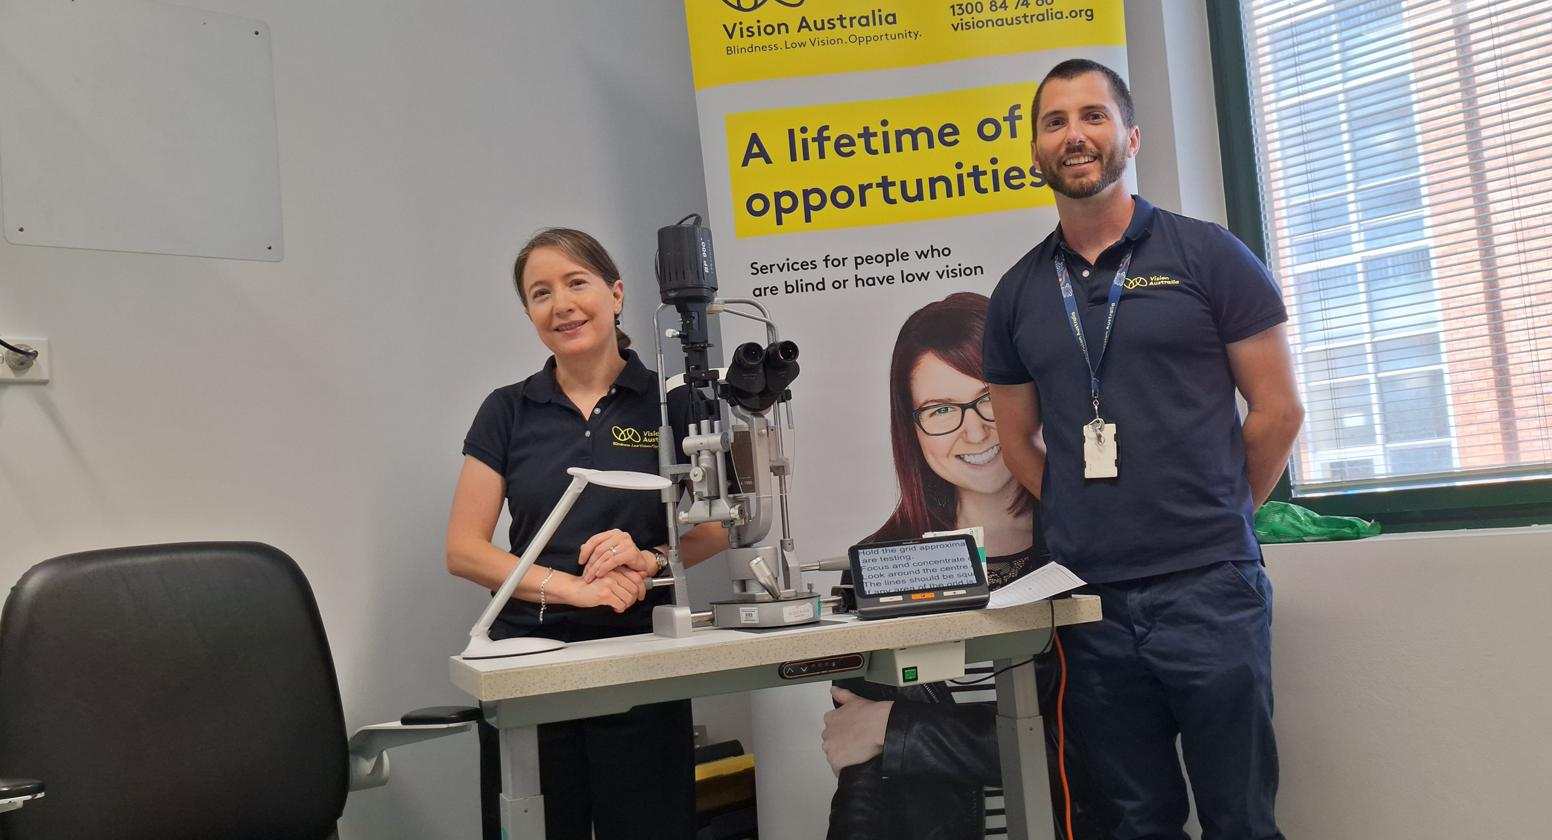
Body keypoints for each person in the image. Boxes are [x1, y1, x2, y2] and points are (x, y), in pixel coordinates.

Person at [984, 59, 1304, 839]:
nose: (1074, 135)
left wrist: (1221, 513)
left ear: (1129, 135)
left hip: (1210, 589)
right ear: (1035, 149)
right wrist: (1073, 510)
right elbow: (1014, 435)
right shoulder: (1019, 292)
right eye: (1054, 122)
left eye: (1092, 116)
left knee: (1241, 819)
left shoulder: (1208, 255)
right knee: (1132, 822)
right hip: (1089, 599)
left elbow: (1278, 412)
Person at [445, 228, 727, 840]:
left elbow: (714, 530)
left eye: (577, 283)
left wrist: (649, 557)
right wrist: (574, 590)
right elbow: (463, 550)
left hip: (642, 649)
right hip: (533, 657)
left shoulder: (667, 404)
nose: (562, 305)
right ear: (529, 314)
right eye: (540, 293)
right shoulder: (507, 410)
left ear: (617, 293)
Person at [821, 292, 1104, 840]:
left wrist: (897, 730)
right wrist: (881, 735)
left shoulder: (1088, 546)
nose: (973, 432)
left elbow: (1096, 752)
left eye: (990, 398)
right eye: (941, 410)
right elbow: (859, 762)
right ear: (912, 427)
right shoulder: (880, 563)